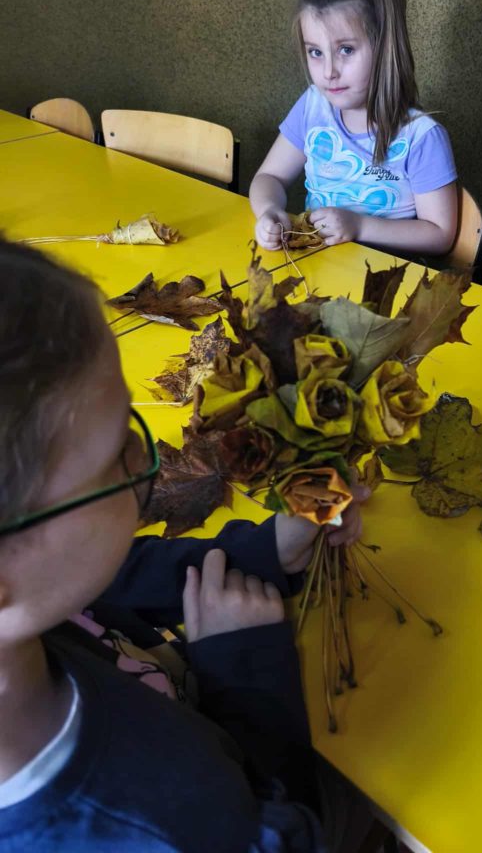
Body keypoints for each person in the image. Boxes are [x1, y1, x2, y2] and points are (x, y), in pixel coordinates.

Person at [0, 237, 365, 852]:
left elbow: (111, 584)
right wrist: (245, 668)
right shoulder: (155, 825)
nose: (145, 457)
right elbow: (288, 833)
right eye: (117, 454)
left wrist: (268, 549)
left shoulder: (33, 609)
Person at [250, 0, 458, 256]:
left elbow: (440, 234)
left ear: (383, 45)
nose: (329, 71)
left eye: (345, 49)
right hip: (318, 270)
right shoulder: (314, 106)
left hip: (386, 281)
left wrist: (359, 226)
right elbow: (269, 176)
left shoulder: (421, 137)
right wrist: (268, 210)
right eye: (315, 52)